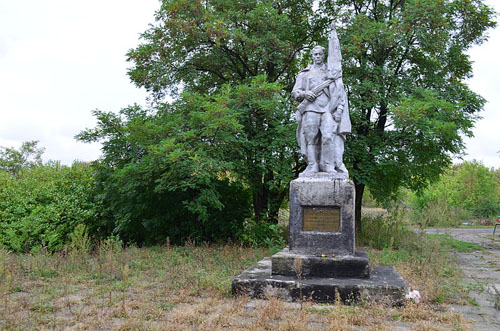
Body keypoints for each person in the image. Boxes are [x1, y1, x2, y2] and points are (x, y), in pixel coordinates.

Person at [292, 45, 350, 176]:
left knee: (328, 137)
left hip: (327, 110)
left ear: (324, 56)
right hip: (310, 109)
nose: (317, 56)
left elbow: (340, 92)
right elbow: (295, 92)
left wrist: (339, 109)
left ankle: (329, 166)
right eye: (315, 54)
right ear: (312, 56)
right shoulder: (304, 74)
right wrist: (305, 94)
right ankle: (312, 166)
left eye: (320, 54)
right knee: (310, 139)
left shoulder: (331, 73)